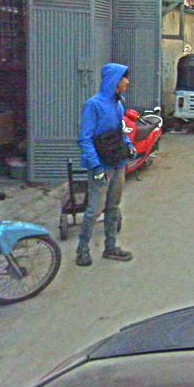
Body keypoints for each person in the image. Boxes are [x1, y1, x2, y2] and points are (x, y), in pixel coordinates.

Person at [76, 63, 135, 267]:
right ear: (114, 80)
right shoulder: (93, 105)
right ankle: (82, 250)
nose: (127, 82)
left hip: (118, 163)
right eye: (124, 78)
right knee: (94, 210)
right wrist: (95, 167)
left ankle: (110, 247)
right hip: (101, 166)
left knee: (113, 207)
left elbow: (120, 132)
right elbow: (85, 139)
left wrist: (129, 146)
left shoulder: (118, 105)